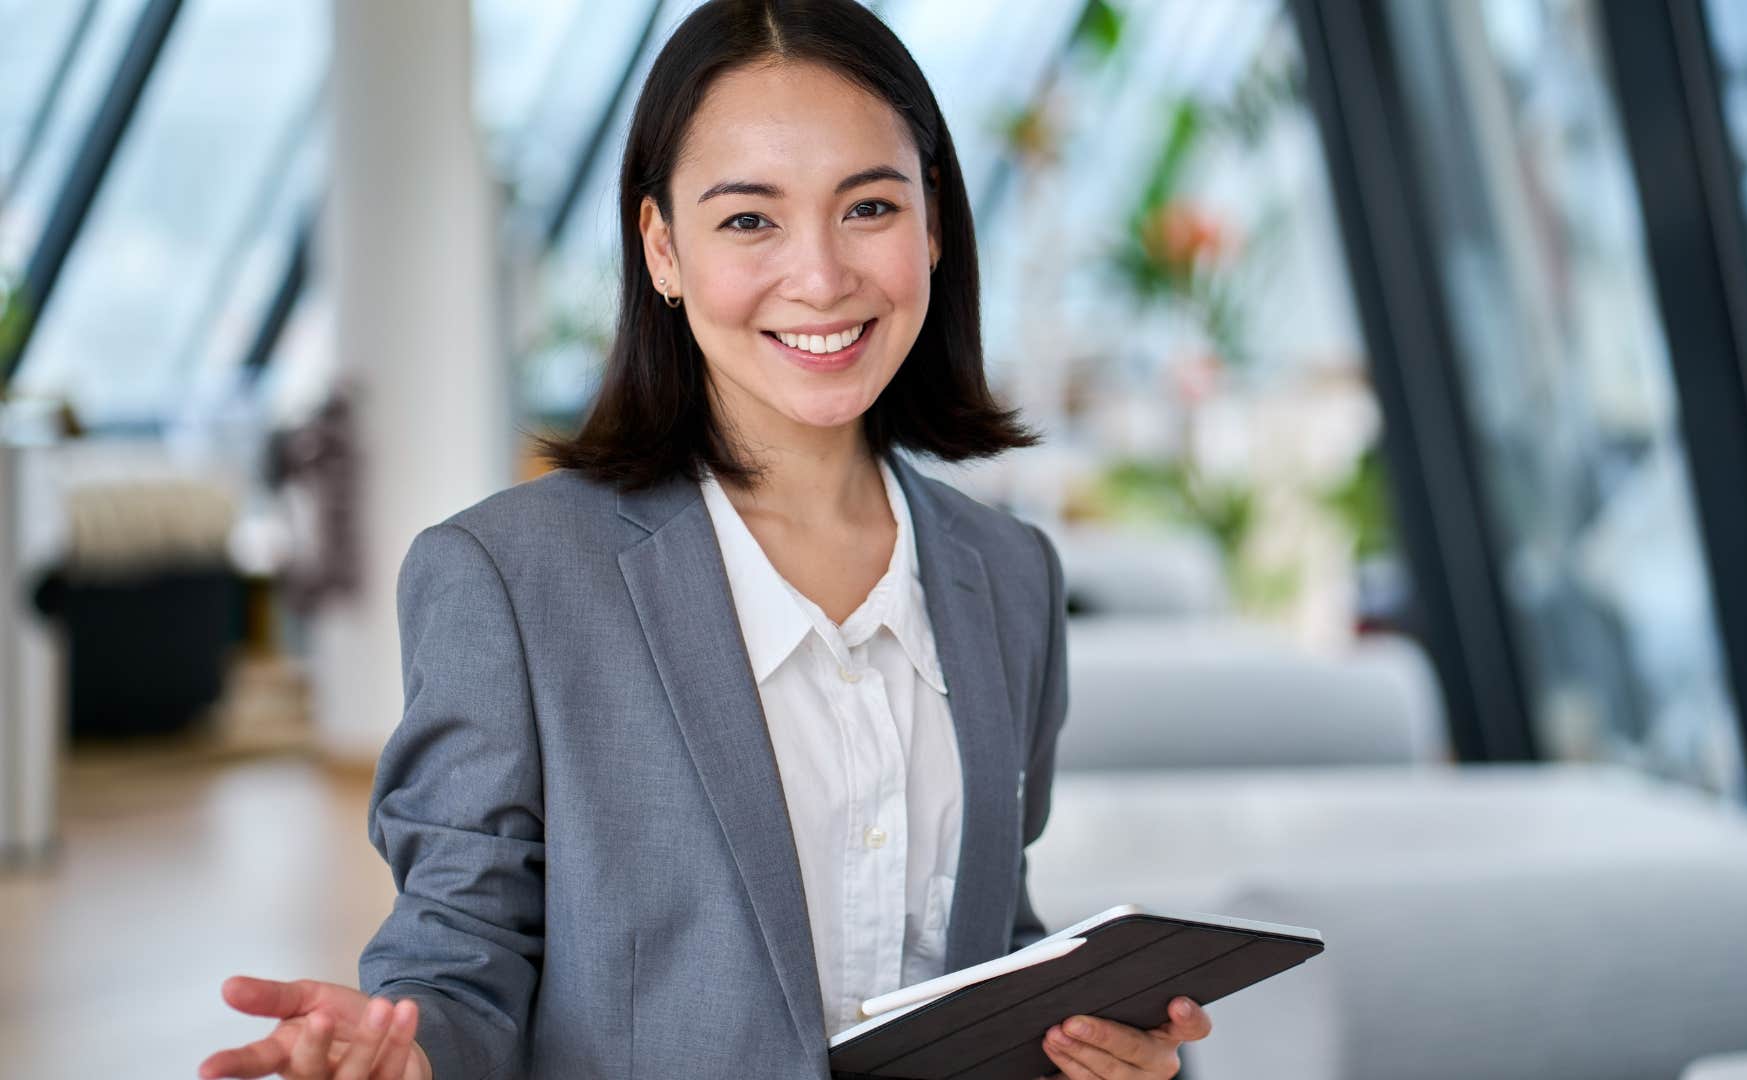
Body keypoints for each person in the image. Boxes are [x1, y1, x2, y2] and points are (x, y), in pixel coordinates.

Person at [199, 1, 1213, 1076]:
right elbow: (460, 964)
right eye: (749, 221)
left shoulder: (1008, 576)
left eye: (868, 206)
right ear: (662, 250)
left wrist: (1103, 1049)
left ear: (933, 228)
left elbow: (980, 936)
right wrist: (410, 1058)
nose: (821, 277)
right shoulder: (510, 580)